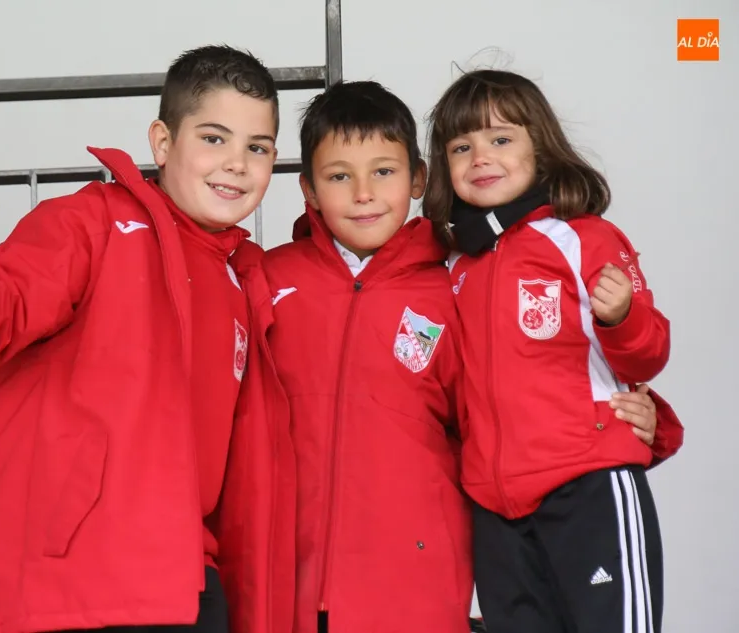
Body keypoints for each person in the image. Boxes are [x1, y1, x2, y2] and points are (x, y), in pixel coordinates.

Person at [258, 80, 673, 633]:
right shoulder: (273, 278)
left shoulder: (450, 277)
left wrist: (652, 419)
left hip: (436, 564)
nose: (363, 193)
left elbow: (524, 374)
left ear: (417, 178)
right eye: (339, 177)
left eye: (383, 172)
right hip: (309, 567)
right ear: (309, 189)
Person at [0, 44, 295, 633]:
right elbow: (9, 301)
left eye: (258, 147)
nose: (237, 164)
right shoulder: (92, 222)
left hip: (191, 577)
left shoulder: (244, 278)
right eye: (214, 138)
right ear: (162, 142)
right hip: (85, 579)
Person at [423, 68, 684, 633]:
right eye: (461, 147)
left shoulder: (582, 237)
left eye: (500, 139)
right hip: (495, 508)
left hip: (587, 485)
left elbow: (646, 357)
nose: (480, 157)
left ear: (539, 147)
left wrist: (622, 316)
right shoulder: (454, 265)